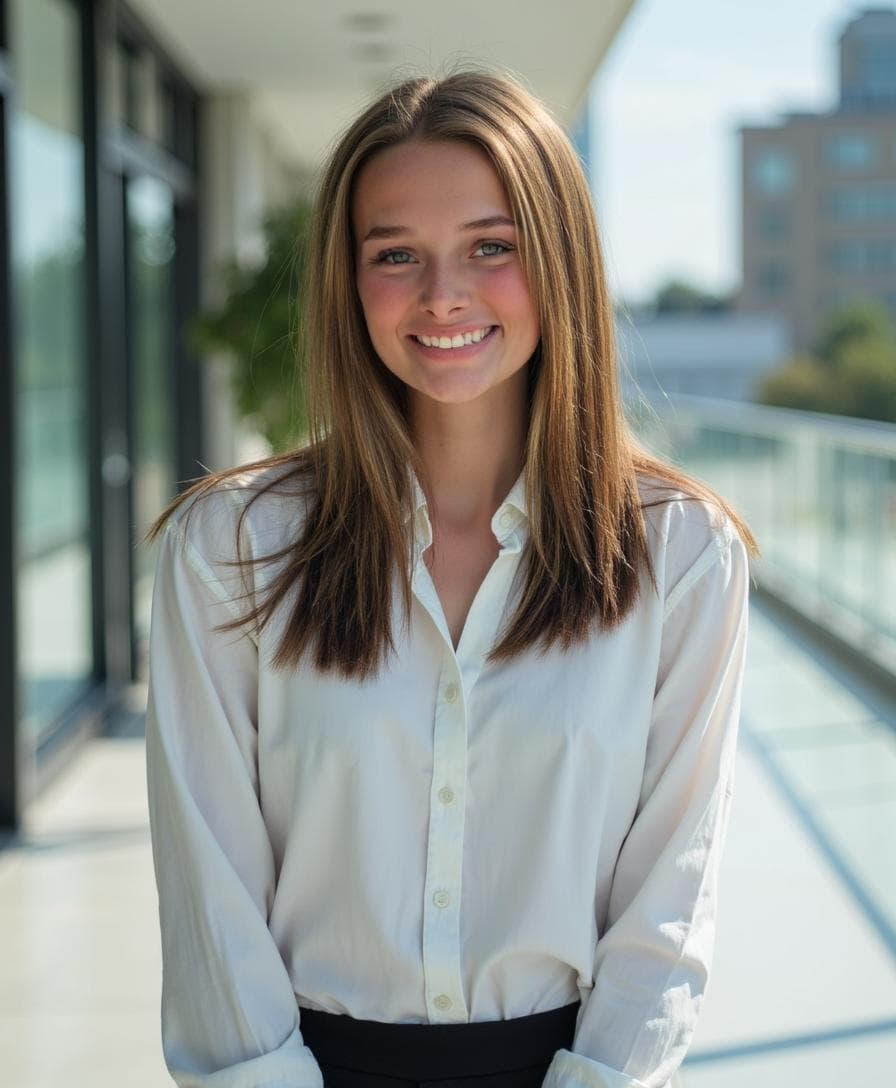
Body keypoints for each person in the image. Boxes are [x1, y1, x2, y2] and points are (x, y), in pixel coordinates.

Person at [145, 68, 756, 1088]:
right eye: (395, 254)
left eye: (491, 245)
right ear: (347, 280)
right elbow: (208, 883)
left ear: (558, 260)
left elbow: (672, 886)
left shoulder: (682, 552)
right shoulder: (232, 544)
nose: (441, 295)